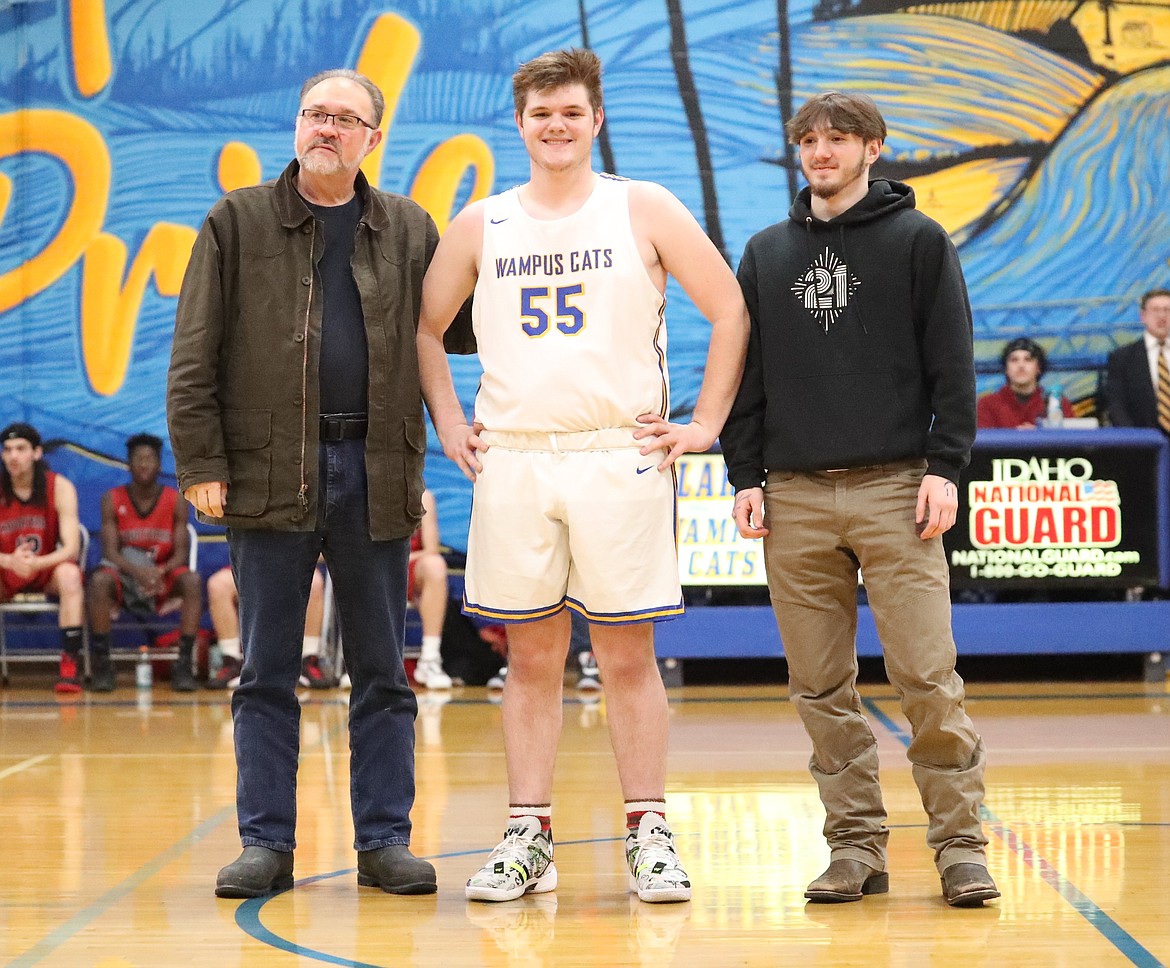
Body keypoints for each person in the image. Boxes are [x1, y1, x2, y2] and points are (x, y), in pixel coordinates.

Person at [416, 48, 748, 904]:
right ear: (519, 123)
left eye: (570, 111)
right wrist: (449, 421)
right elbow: (425, 328)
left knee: (627, 658)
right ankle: (529, 835)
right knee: (529, 661)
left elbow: (731, 307)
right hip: (517, 459)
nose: (555, 125)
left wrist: (706, 422)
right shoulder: (482, 223)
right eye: (540, 113)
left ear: (595, 119)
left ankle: (649, 831)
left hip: (616, 453)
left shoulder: (641, 205)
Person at [720, 91, 999, 908]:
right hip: (796, 495)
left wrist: (946, 466)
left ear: (874, 147)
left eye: (838, 138)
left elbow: (954, 363)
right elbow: (748, 378)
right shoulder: (765, 252)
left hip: (897, 488)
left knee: (927, 677)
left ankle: (960, 847)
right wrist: (745, 476)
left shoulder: (919, 240)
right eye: (808, 139)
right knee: (819, 688)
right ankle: (855, 849)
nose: (821, 151)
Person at [167, 68, 438, 899]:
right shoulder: (236, 222)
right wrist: (203, 463)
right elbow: (193, 354)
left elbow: (457, 328)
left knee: (385, 674)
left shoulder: (410, 230)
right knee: (266, 670)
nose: (326, 127)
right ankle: (268, 844)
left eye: (344, 118)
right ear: (297, 125)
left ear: (372, 139)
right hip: (267, 470)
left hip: (376, 466)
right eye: (314, 113)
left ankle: (385, 840)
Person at [85, 433, 203, 692]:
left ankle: (183, 665)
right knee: (98, 581)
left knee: (192, 581)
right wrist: (140, 573)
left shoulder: (176, 499)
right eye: (138, 459)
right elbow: (110, 552)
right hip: (126, 576)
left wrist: (160, 572)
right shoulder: (112, 498)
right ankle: (102, 665)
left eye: (149, 459)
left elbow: (181, 552)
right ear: (129, 463)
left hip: (162, 577)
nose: (144, 464)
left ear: (159, 464)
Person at [0, 423, 85, 693]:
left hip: (45, 568)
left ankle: (69, 667)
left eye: (21, 449)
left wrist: (37, 563)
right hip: (6, 568)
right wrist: (8, 561)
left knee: (71, 575)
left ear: (37, 453)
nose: (13, 456)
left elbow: (71, 548)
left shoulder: (59, 486)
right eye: (8, 450)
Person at [205, 564, 328, 690]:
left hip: (290, 561)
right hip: (251, 562)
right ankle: (232, 662)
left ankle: (308, 661)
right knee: (218, 585)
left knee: (314, 581)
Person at [1105, 289, 1170, 434]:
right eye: (1155, 310)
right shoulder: (1122, 358)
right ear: (1143, 316)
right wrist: (1135, 440)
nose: (1162, 316)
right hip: (1143, 445)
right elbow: (1116, 405)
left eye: (1167, 310)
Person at [976, 338, 1074, 429]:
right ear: (1006, 369)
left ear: (1038, 368)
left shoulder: (1059, 404)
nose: (1021, 365)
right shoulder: (987, 405)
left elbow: (1072, 441)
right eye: (1014, 360)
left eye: (1028, 359)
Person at [409, 489, 453, 690]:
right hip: (372, 565)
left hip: (406, 564)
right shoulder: (362, 489)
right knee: (363, 565)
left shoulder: (423, 497)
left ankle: (430, 658)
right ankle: (363, 663)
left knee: (435, 565)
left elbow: (431, 549)